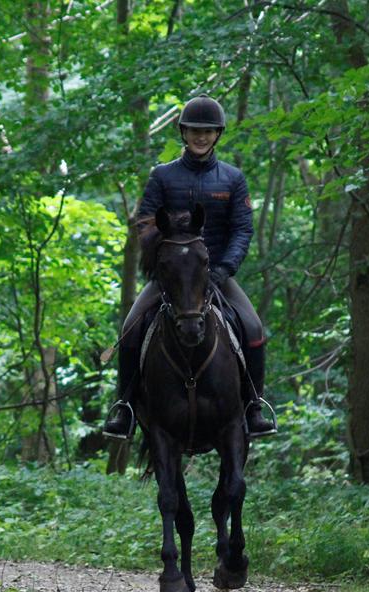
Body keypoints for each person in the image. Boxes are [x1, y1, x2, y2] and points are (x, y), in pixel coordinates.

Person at [104, 95, 276, 440]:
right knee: (130, 329)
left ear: (217, 134)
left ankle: (255, 405)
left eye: (208, 131)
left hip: (214, 275)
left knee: (254, 327)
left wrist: (224, 268)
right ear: (183, 132)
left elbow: (242, 228)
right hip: (171, 275)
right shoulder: (162, 176)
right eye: (195, 130)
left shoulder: (232, 178)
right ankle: (123, 406)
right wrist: (162, 258)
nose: (201, 136)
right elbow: (145, 221)